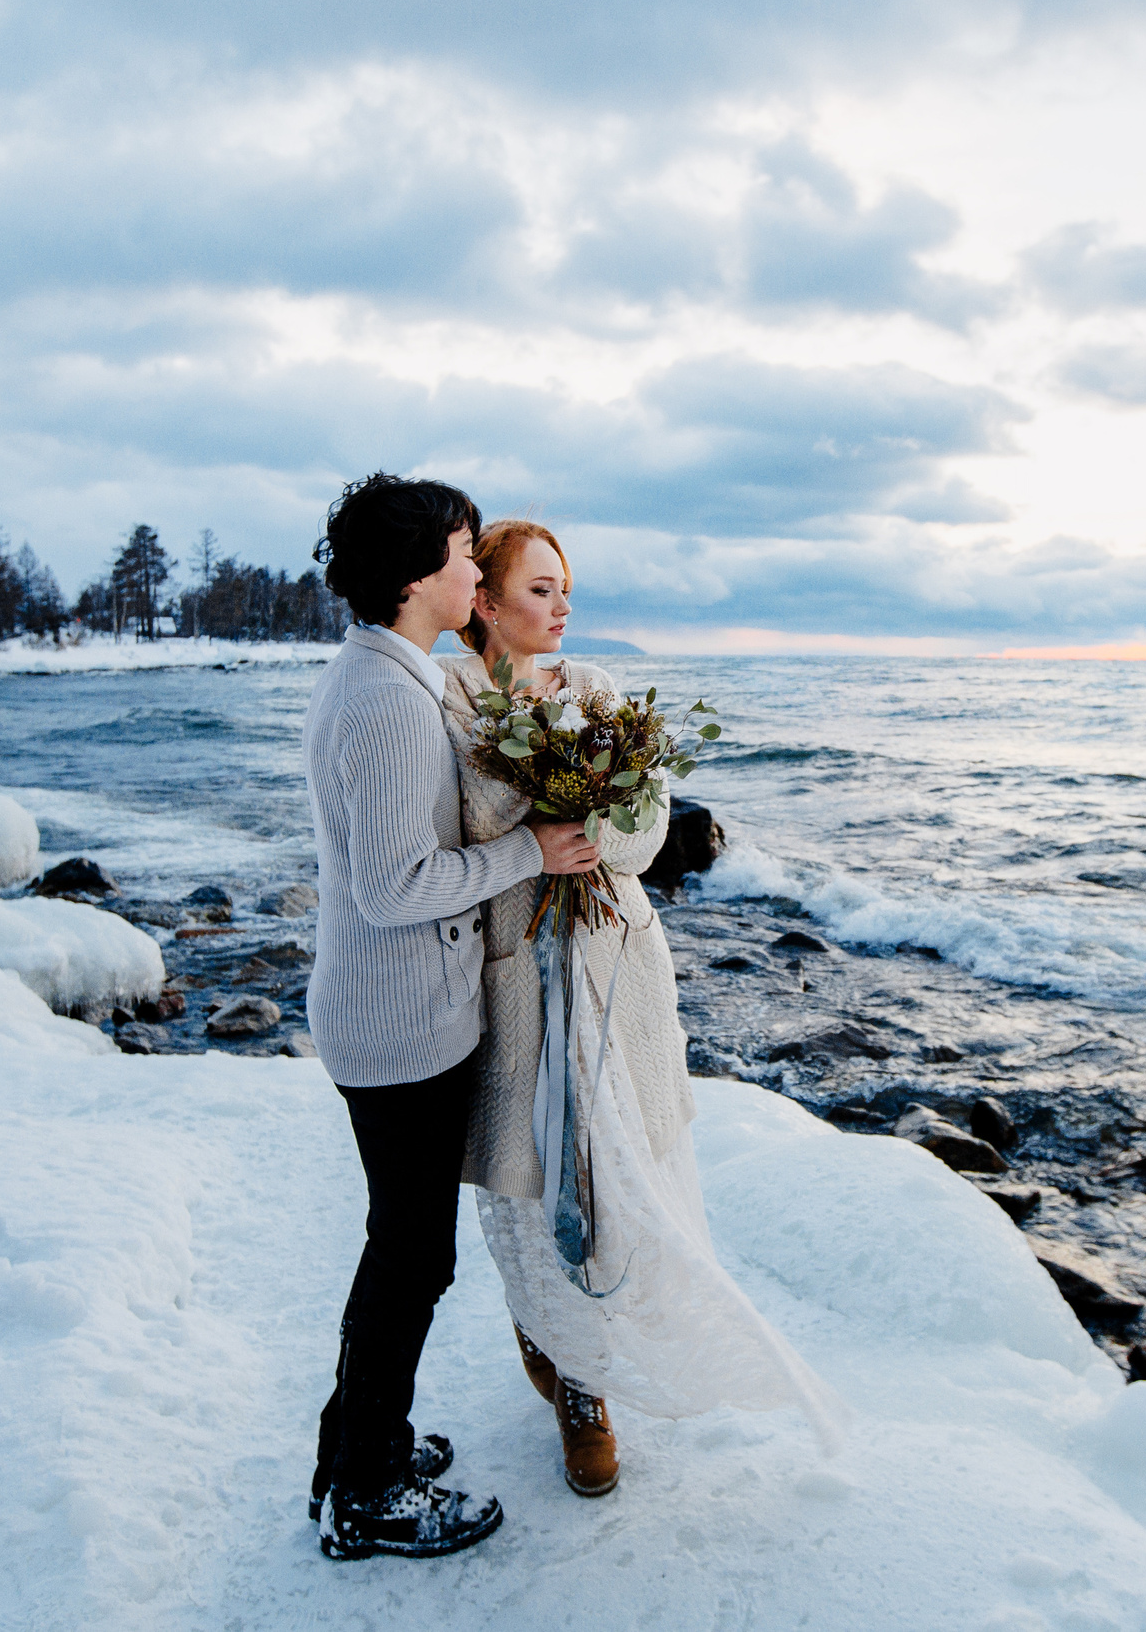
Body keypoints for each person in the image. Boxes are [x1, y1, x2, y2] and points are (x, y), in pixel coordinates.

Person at [435, 519, 846, 1499]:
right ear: (483, 602)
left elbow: (648, 826)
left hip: (619, 961)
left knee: (617, 1181)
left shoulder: (598, 693)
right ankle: (560, 1353)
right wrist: (539, 830)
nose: (561, 605)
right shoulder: (446, 700)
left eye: (564, 587)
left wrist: (586, 832)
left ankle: (592, 1370)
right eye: (538, 589)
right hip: (514, 970)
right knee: (533, 1177)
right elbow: (462, 828)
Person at [301, 475, 602, 1561]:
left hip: (402, 1015)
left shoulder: (396, 677)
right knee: (410, 1259)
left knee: (405, 1250)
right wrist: (530, 852)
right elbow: (391, 887)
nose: (477, 574)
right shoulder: (384, 698)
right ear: (419, 572)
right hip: (393, 1028)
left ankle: (356, 1448)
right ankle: (367, 1491)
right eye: (467, 554)